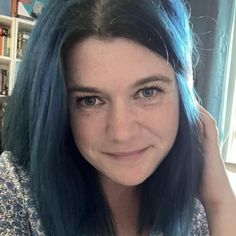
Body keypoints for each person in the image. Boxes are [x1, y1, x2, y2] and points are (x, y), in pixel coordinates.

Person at [0, 0, 235, 235]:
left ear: (185, 95)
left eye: (147, 92)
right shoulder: (13, 192)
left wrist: (220, 203)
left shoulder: (193, 209)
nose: (122, 133)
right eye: (90, 100)